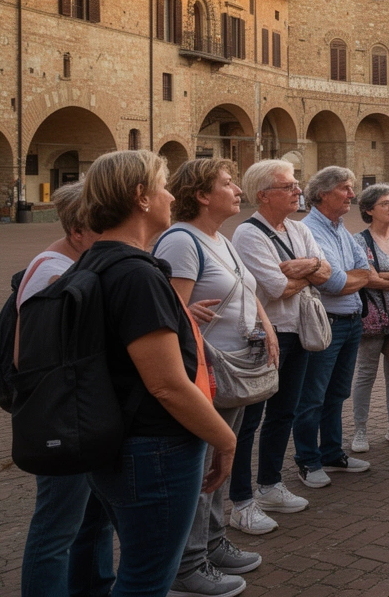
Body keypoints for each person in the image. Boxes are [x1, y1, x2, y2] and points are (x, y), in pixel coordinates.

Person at [79, 150, 237, 596]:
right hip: (153, 448)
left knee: (137, 564)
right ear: (140, 198)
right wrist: (224, 439)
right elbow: (166, 384)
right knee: (148, 576)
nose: (171, 195)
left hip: (120, 439)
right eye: (163, 186)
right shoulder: (137, 275)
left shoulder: (96, 261)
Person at [157, 158, 277, 595]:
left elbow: (243, 288)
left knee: (217, 466)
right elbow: (166, 314)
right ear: (202, 195)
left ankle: (212, 542)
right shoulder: (181, 242)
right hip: (208, 373)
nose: (237, 191)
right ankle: (188, 565)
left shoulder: (219, 239)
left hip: (235, 369)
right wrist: (184, 312)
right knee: (204, 468)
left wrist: (264, 323)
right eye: (228, 184)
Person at [18, 183, 115, 597]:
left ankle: (93, 587)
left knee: (92, 518)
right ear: (79, 232)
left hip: (77, 415)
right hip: (61, 418)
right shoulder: (53, 273)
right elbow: (36, 358)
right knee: (57, 526)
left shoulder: (74, 265)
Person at [230, 160, 327, 535]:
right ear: (263, 195)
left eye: (295, 184)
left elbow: (328, 272)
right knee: (250, 421)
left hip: (298, 331)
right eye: (287, 186)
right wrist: (311, 271)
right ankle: (241, 500)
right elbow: (275, 288)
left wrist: (305, 266)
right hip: (267, 334)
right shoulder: (248, 235)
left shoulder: (300, 229)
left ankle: (269, 485)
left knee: (284, 412)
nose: (297, 190)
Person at [295, 166, 373, 488]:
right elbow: (334, 283)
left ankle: (331, 451)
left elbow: (364, 270)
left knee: (337, 393)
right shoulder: (309, 230)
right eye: (345, 188)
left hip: (352, 321)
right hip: (327, 323)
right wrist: (348, 278)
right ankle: (307, 460)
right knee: (312, 395)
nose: (351, 195)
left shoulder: (341, 228)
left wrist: (349, 278)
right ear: (324, 193)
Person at [350, 184, 389, 453]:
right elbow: (366, 278)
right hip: (372, 318)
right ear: (369, 210)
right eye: (385, 203)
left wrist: (382, 278)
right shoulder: (359, 241)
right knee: (366, 373)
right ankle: (360, 430)